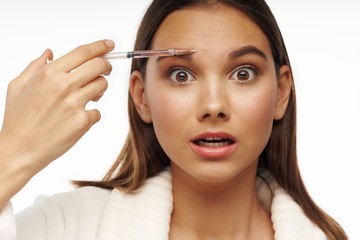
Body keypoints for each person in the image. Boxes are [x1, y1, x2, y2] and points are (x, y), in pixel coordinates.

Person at [0, 0, 348, 239]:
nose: (214, 106)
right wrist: (11, 154)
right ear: (142, 97)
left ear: (281, 93)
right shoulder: (64, 227)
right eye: (181, 75)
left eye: (243, 73)